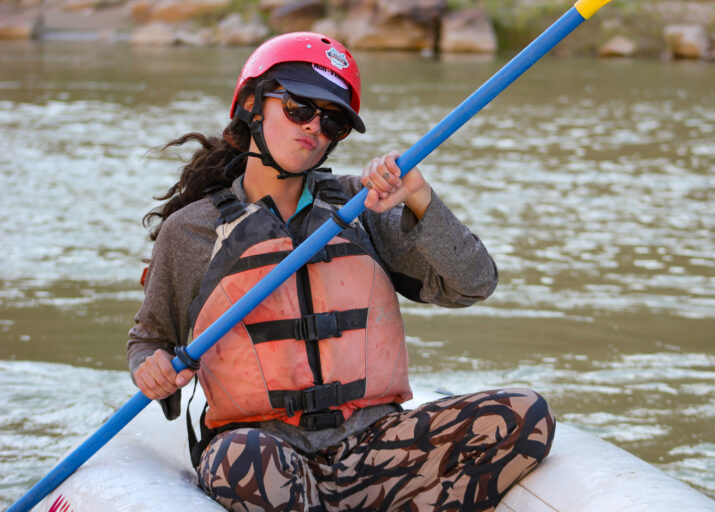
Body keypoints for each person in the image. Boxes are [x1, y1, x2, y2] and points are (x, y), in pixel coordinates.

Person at [127, 31, 555, 512]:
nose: (313, 126)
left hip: (371, 448)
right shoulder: (192, 231)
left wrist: (420, 199)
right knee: (243, 456)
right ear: (251, 103)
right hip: (266, 452)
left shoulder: (363, 207)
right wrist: (151, 368)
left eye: (332, 122)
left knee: (522, 413)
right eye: (298, 108)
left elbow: (474, 284)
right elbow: (149, 340)